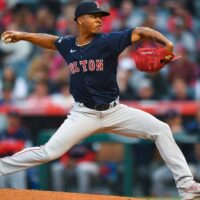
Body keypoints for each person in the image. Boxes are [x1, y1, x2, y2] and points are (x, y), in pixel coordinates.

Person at [0, 2, 200, 199]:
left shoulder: (108, 41)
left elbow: (140, 30)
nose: (99, 20)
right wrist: (23, 35)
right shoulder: (68, 44)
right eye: (94, 16)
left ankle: (186, 185)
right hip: (83, 114)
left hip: (115, 111)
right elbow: (51, 41)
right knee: (49, 152)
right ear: (80, 20)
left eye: (100, 17)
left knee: (161, 129)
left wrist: (167, 43)